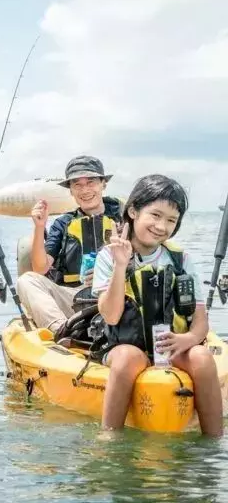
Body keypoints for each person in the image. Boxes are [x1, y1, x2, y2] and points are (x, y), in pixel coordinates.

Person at [92, 174, 222, 437]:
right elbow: (112, 315)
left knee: (202, 356)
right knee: (129, 357)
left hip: (170, 347)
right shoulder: (109, 256)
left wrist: (189, 338)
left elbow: (200, 319)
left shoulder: (180, 259)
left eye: (171, 220)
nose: (162, 226)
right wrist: (120, 264)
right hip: (125, 345)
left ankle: (214, 443)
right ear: (133, 211)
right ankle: (108, 438)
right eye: (155, 215)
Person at [17, 156, 123, 336]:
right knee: (26, 280)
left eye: (91, 182)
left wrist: (108, 276)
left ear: (103, 184)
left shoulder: (124, 216)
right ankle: (62, 330)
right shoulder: (63, 223)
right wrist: (39, 226)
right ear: (71, 191)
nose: (85, 190)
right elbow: (41, 268)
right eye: (77, 185)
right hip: (75, 296)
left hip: (117, 293)